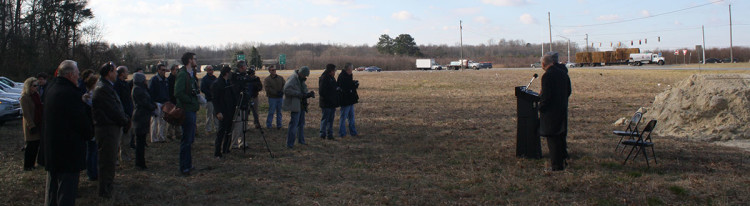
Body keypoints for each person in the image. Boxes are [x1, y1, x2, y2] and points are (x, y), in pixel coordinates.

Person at [42, 60, 93, 205]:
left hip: (53, 149)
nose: (79, 77)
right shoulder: (70, 94)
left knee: (52, 189)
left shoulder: (52, 88)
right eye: (77, 74)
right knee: (66, 192)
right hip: (68, 151)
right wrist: (89, 131)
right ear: (70, 74)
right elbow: (80, 122)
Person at [92, 62, 130, 198]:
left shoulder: (107, 86)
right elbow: (113, 110)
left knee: (110, 159)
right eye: (114, 71)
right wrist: (125, 120)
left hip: (111, 127)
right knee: (107, 161)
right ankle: (105, 190)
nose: (116, 73)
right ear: (109, 73)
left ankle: (108, 185)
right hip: (107, 129)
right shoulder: (103, 89)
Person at [538, 52, 572, 171]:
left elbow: (546, 97)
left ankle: (556, 166)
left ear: (543, 64)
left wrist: (540, 107)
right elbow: (569, 91)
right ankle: (563, 160)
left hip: (551, 113)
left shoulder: (547, 76)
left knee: (552, 139)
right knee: (561, 137)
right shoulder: (563, 73)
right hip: (562, 108)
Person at [174, 52, 200, 176]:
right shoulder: (183, 74)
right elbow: (178, 92)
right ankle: (184, 167)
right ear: (190, 60)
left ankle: (188, 164)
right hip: (186, 110)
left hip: (192, 109)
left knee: (190, 139)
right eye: (194, 59)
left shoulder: (191, 74)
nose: (196, 60)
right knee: (186, 140)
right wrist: (190, 100)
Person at [283, 66, 314, 149]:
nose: (305, 77)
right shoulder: (293, 79)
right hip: (295, 104)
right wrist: (298, 94)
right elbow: (286, 90)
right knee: (294, 124)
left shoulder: (300, 79)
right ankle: (290, 144)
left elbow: (303, 90)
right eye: (305, 75)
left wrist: (308, 94)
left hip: (301, 105)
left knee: (301, 124)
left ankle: (301, 141)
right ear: (301, 73)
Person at [131, 73, 157, 170]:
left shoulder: (141, 88)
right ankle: (139, 163)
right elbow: (144, 102)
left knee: (141, 141)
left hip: (143, 116)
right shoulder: (137, 89)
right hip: (140, 117)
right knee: (140, 142)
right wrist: (152, 106)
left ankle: (141, 162)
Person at [212, 66, 236, 159]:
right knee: (221, 132)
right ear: (226, 73)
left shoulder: (228, 82)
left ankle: (226, 148)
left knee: (229, 131)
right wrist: (218, 112)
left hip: (229, 110)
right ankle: (217, 152)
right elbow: (215, 99)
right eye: (230, 72)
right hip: (222, 111)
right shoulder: (217, 84)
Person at [20, 77, 42, 171]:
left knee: (36, 145)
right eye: (34, 85)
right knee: (30, 146)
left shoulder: (36, 95)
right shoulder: (25, 97)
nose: (36, 87)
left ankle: (32, 164)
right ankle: (27, 165)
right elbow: (26, 113)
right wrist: (31, 125)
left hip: (37, 122)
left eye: (37, 85)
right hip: (30, 124)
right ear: (29, 86)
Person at [114, 66, 134, 162]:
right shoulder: (116, 84)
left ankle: (125, 156)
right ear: (122, 73)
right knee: (118, 138)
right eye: (126, 72)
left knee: (127, 138)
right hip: (121, 114)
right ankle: (116, 158)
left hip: (128, 114)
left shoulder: (125, 84)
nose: (127, 73)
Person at [81, 74, 99, 181]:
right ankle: (92, 173)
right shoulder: (90, 96)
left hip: (92, 125)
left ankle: (92, 171)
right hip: (92, 126)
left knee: (93, 150)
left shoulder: (89, 95)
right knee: (92, 150)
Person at [149, 64, 170, 143]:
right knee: (155, 121)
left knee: (163, 121)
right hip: (156, 103)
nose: (164, 71)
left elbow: (167, 92)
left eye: (165, 70)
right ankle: (154, 138)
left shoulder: (166, 80)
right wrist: (153, 103)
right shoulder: (154, 80)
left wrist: (168, 101)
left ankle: (161, 136)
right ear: (158, 70)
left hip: (164, 103)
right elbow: (150, 92)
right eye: (162, 70)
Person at [337, 63, 359, 138]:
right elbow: (345, 88)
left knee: (351, 117)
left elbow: (350, 85)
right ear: (348, 69)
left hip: (350, 100)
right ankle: (342, 133)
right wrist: (353, 85)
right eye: (351, 69)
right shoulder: (342, 76)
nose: (352, 71)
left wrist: (354, 84)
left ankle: (353, 132)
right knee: (343, 117)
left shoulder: (349, 75)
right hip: (345, 100)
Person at [318, 64, 340, 140]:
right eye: (334, 71)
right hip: (326, 103)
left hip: (332, 103)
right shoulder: (324, 78)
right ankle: (322, 134)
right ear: (330, 71)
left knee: (331, 120)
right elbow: (321, 92)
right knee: (325, 119)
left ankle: (330, 134)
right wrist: (331, 95)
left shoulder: (332, 78)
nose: (335, 72)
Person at [264, 65, 285, 129]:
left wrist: (282, 92)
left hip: (280, 97)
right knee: (271, 112)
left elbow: (284, 85)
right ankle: (269, 125)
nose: (274, 71)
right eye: (272, 70)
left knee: (279, 112)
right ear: (269, 71)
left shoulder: (280, 78)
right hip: (272, 98)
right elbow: (268, 88)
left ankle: (279, 125)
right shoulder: (267, 79)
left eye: (275, 70)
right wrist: (276, 93)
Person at [200, 65, 217, 133]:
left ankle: (217, 128)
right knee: (209, 115)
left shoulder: (215, 78)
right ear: (207, 70)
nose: (211, 71)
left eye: (212, 69)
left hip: (215, 99)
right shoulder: (204, 79)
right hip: (209, 99)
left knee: (216, 114)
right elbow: (202, 89)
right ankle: (208, 129)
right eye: (209, 70)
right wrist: (210, 93)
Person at [167, 64, 182, 140]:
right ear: (172, 70)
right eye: (176, 70)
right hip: (172, 101)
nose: (177, 71)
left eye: (178, 70)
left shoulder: (178, 79)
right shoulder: (169, 79)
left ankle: (178, 133)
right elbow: (169, 92)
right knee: (171, 118)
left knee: (178, 118)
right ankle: (170, 133)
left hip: (178, 101)